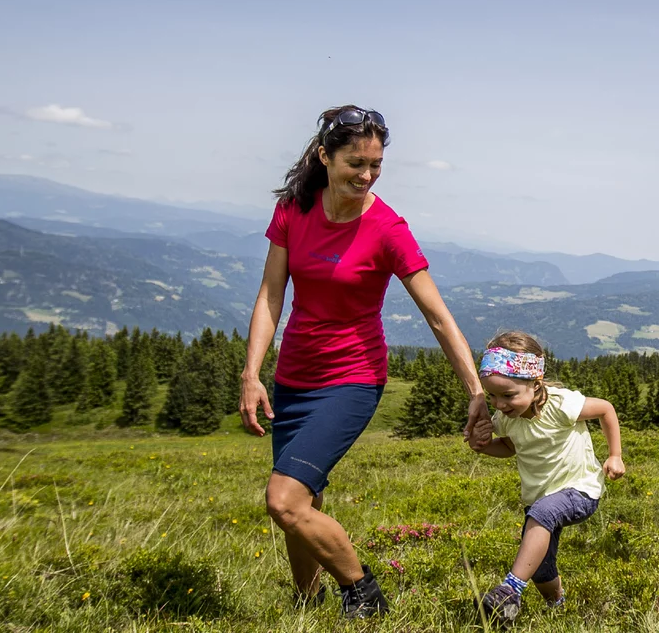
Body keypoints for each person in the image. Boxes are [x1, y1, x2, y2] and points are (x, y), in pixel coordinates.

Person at [238, 104, 488, 619]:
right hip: (293, 379)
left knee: (283, 500)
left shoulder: (388, 228)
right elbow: (270, 295)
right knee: (303, 500)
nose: (368, 174)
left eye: (376, 164)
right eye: (356, 162)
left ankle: (364, 595)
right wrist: (251, 373)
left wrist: (477, 393)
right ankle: (306, 601)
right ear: (326, 157)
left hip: (352, 379)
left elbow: (439, 318)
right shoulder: (294, 209)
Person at [464, 331, 625, 624]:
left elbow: (605, 409)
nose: (499, 405)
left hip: (580, 490)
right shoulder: (506, 419)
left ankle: (510, 589)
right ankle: (557, 605)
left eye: (508, 395)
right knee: (539, 567)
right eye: (493, 396)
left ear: (535, 384)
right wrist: (485, 446)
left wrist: (614, 455)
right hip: (538, 498)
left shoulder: (561, 405)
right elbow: (512, 447)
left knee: (542, 514)